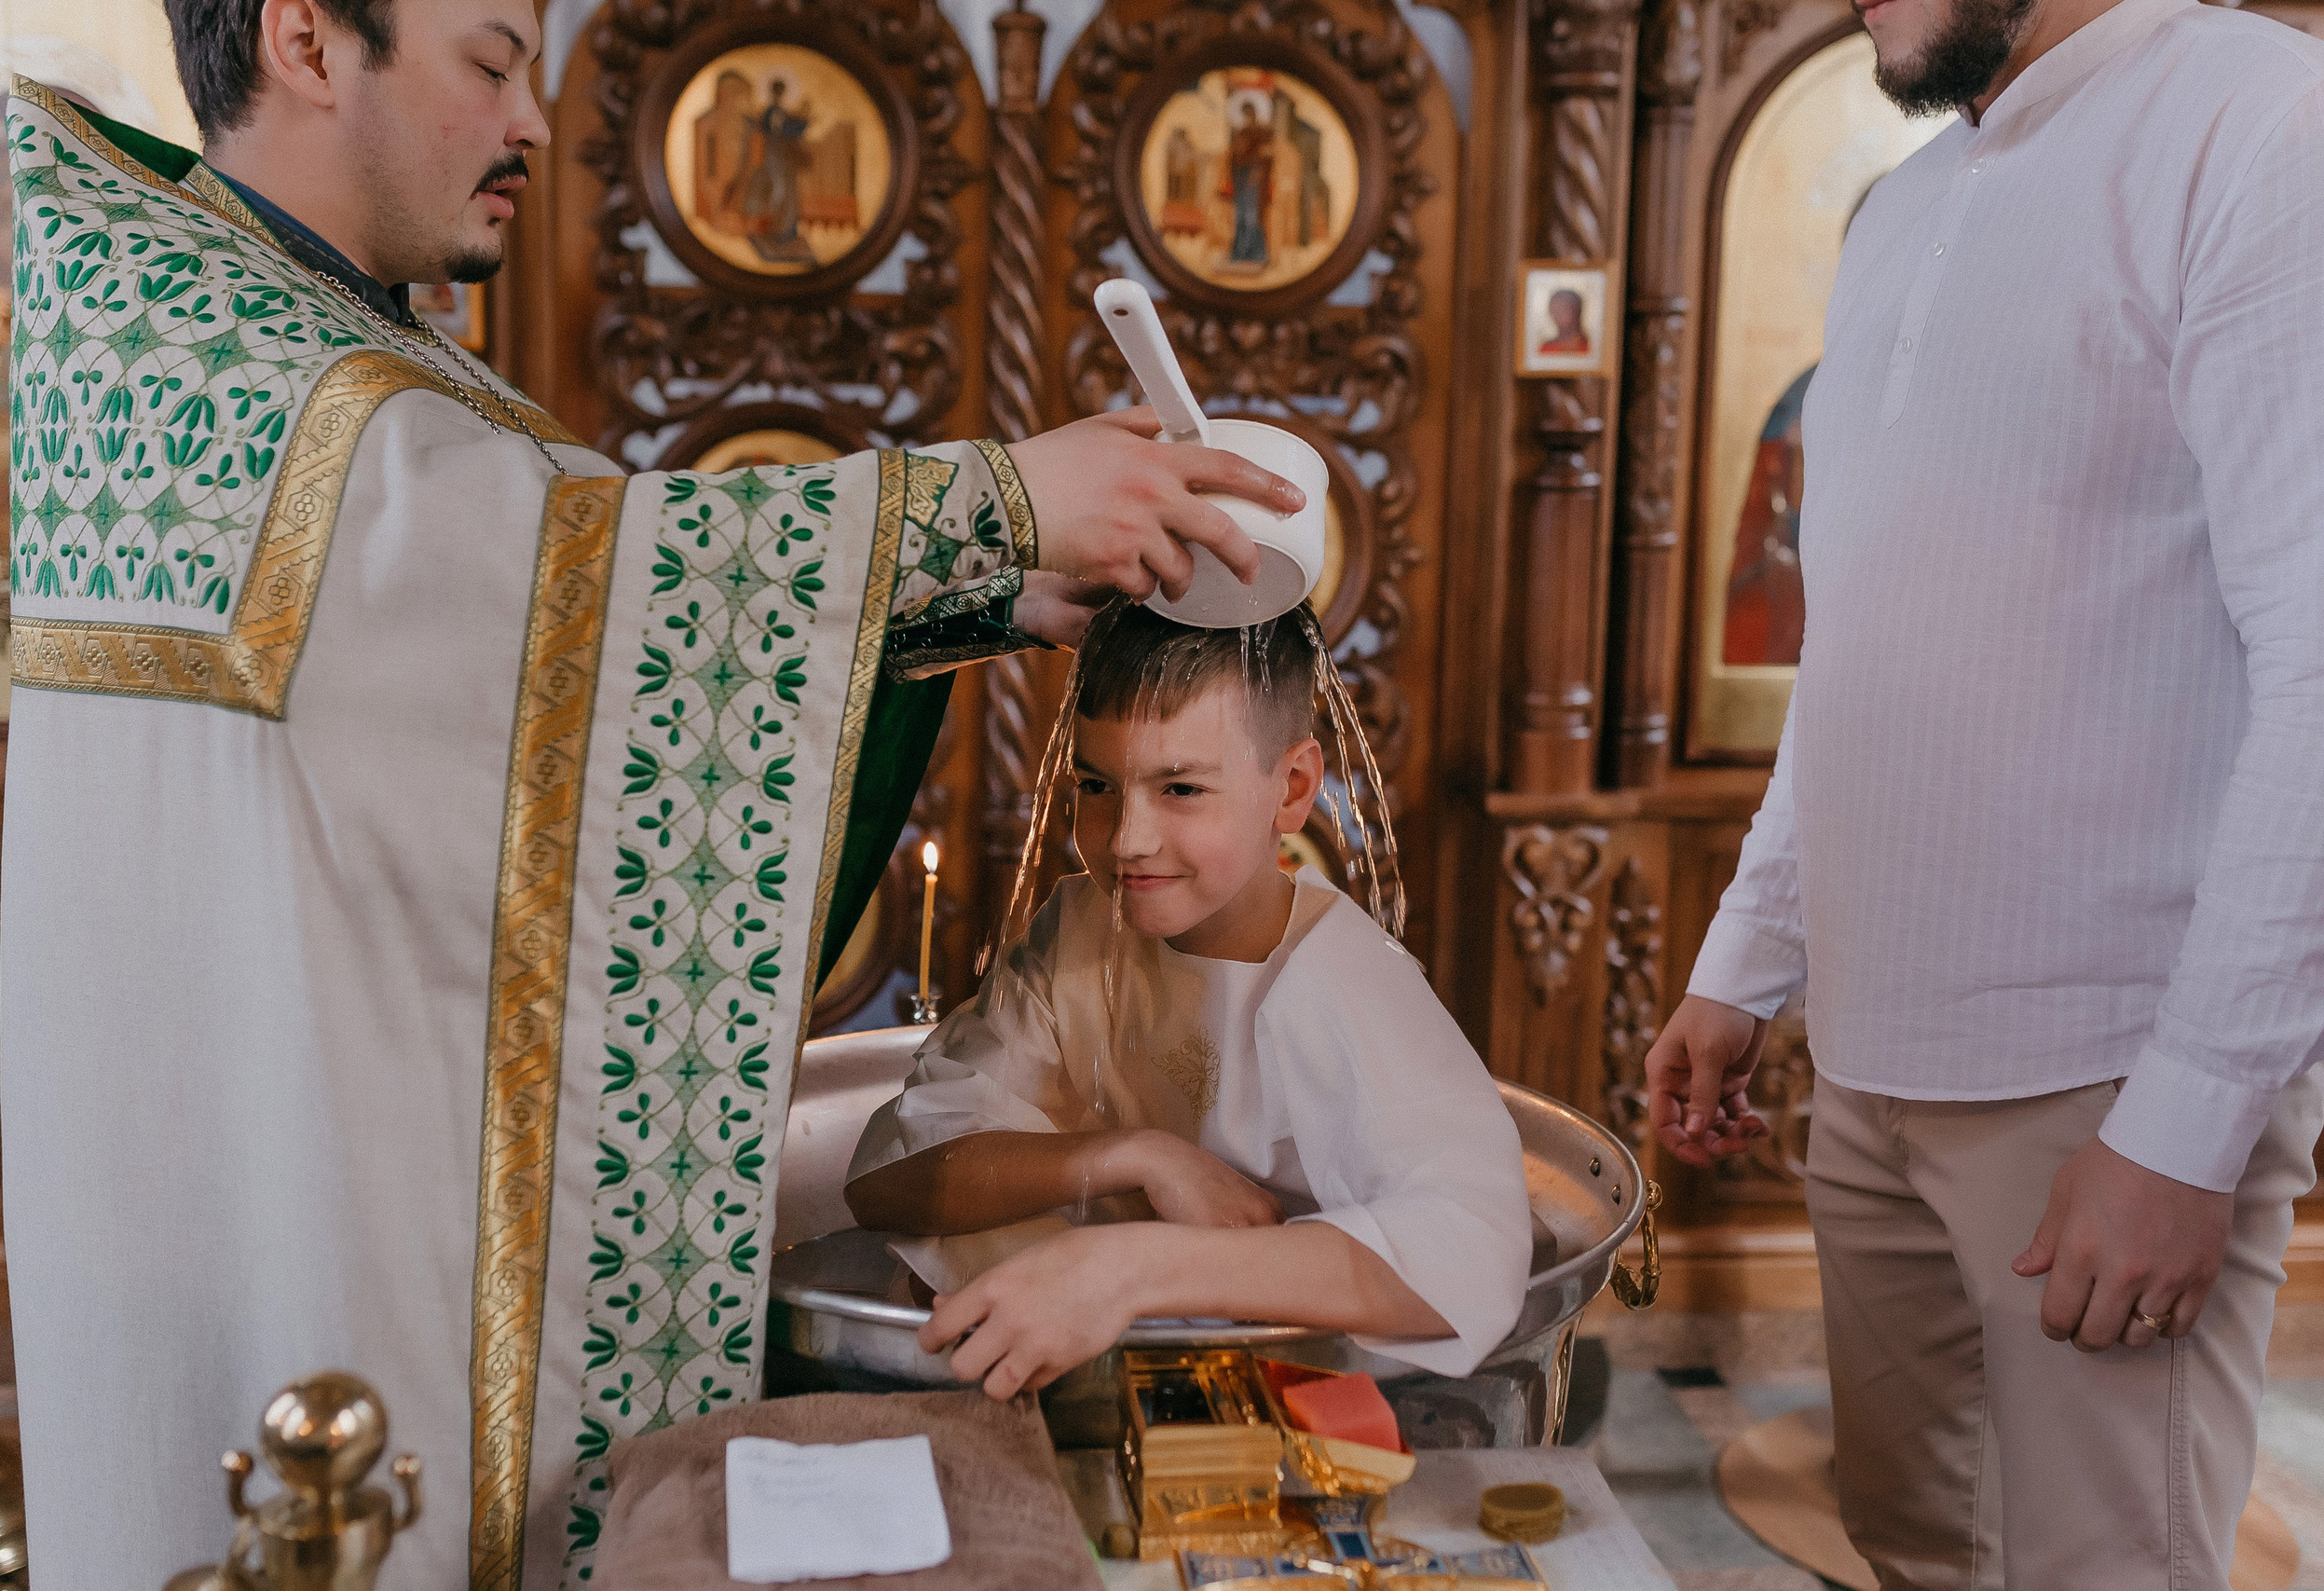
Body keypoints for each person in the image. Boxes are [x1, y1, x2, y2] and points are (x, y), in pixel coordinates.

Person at [0, 0, 1309, 1584]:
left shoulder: (278, 322)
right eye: (492, 62)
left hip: (315, 1133)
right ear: (306, 39)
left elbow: (505, 658)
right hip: (277, 1223)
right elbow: (547, 587)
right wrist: (990, 506)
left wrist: (981, 587)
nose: (534, 123)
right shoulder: (221, 354)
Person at [1646, 0, 2324, 1582]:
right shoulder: (1906, 208)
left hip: (2101, 1082)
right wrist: (1747, 959)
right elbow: (1860, 645)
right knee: (1908, 1545)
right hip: (1874, 1065)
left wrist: (2189, 1122)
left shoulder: (2258, 124)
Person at [844, 604, 1536, 1398]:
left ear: (1293, 788)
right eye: (1096, 785)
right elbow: (890, 1178)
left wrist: (1132, 1269)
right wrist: (1129, 1155)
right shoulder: (1078, 934)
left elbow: (1473, 1249)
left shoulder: (1347, 980)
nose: (1127, 836)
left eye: (1180, 787)